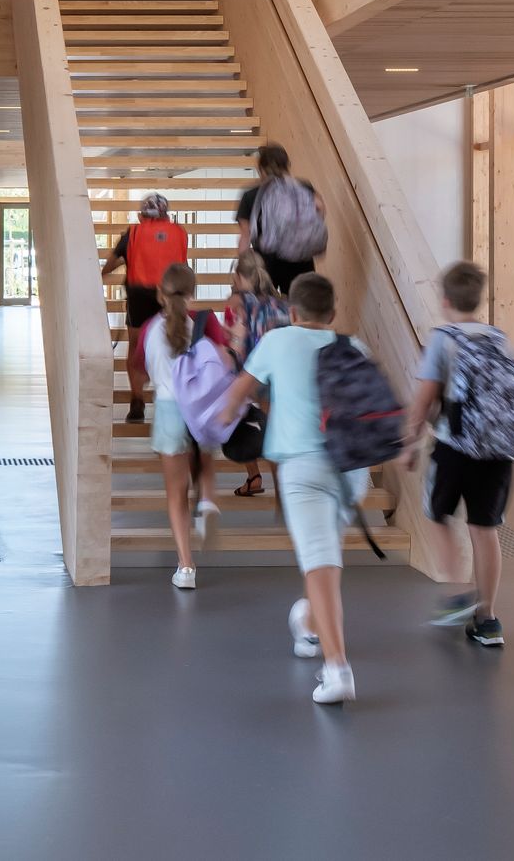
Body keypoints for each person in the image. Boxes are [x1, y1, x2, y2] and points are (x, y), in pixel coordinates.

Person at [221, 268, 358, 707]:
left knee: (320, 562)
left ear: (292, 311)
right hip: (351, 468)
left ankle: (338, 669)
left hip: (302, 467)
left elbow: (238, 394)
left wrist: (220, 420)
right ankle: (309, 624)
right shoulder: (353, 346)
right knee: (324, 557)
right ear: (333, 312)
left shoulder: (277, 341)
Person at [404, 258, 514, 651]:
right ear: (479, 300)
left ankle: (459, 591)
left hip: (455, 447)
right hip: (498, 450)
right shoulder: (499, 338)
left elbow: (424, 399)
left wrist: (410, 441)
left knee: (436, 513)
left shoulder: (443, 338)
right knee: (485, 529)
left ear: (445, 300)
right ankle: (487, 618)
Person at [142, 259, 214, 587]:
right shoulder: (200, 325)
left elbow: (145, 371)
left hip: (169, 410)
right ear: (192, 293)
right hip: (199, 409)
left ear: (160, 293)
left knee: (175, 493)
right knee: (202, 467)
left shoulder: (150, 330)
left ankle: (186, 567)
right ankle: (206, 500)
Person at [101, 191, 190, 426]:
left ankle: (137, 400)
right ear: (166, 214)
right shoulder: (180, 233)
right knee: (172, 342)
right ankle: (172, 397)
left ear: (142, 215)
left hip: (139, 294)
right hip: (172, 293)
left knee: (136, 347)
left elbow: (111, 262)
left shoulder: (134, 232)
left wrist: (107, 269)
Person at [225, 246, 286, 495]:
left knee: (246, 421)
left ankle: (253, 475)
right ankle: (283, 489)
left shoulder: (237, 303)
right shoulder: (281, 303)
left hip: (251, 374)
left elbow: (234, 343)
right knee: (275, 430)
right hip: (280, 375)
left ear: (238, 276)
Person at [236, 142, 327, 297]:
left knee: (264, 310)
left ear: (261, 169)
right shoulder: (303, 187)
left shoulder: (251, 196)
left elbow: (246, 236)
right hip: (300, 261)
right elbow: (320, 209)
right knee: (300, 308)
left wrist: (241, 268)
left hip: (265, 264)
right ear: (287, 165)